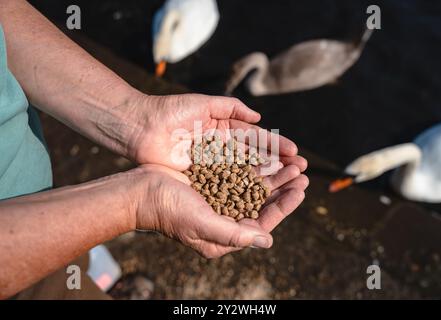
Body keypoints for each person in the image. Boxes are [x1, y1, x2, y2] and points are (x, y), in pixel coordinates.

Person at [0, 0, 308, 299]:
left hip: (44, 215)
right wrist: (139, 202)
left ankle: (88, 272)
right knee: (60, 281)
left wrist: (137, 119)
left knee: (71, 265)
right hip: (14, 267)